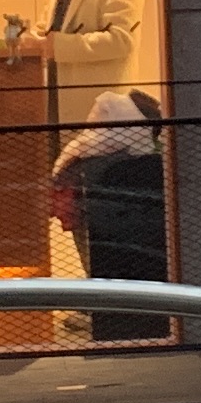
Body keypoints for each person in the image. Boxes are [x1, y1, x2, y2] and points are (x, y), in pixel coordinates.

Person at [43, 85, 172, 343]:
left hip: (90, 211)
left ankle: (98, 305)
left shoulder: (84, 151)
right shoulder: (144, 156)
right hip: (105, 216)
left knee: (92, 258)